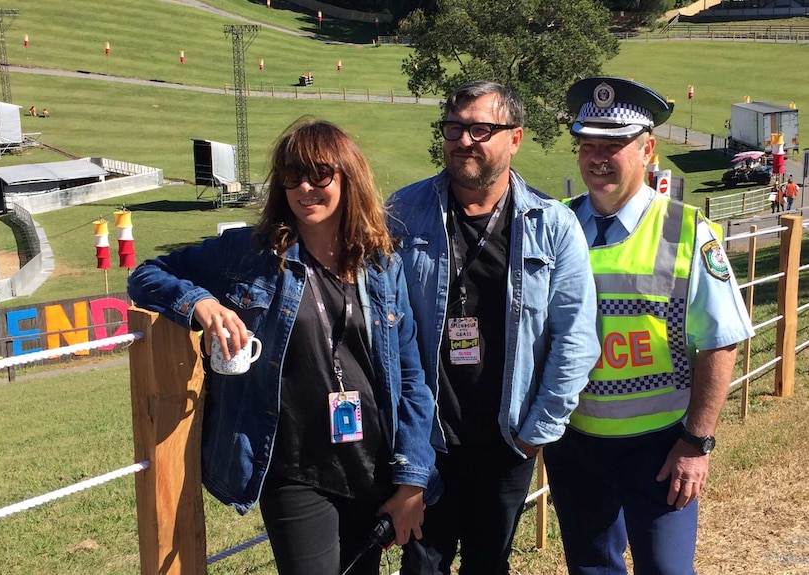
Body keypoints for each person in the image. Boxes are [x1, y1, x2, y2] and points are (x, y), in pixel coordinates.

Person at [128, 118, 436, 575]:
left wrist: (412, 482)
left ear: (348, 177)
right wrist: (202, 304)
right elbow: (146, 275)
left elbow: (411, 379)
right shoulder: (251, 252)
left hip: (372, 461)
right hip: (293, 466)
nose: (305, 188)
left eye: (320, 175)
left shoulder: (381, 264)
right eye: (293, 177)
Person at [385, 80, 600, 575]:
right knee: (422, 565)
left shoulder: (553, 225)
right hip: (426, 436)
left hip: (507, 439)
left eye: (481, 129)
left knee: (490, 564)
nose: (464, 140)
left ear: (515, 137)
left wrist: (535, 433)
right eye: (455, 128)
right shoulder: (402, 214)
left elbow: (576, 339)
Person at [543, 76, 755, 575]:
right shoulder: (556, 228)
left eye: (614, 145)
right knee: (592, 568)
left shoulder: (687, 231)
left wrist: (697, 442)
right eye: (587, 144)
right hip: (576, 444)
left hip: (661, 448)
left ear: (647, 149)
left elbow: (720, 342)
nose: (598, 157)